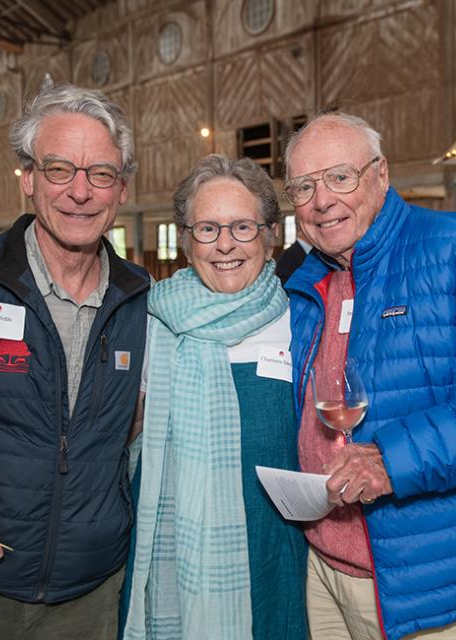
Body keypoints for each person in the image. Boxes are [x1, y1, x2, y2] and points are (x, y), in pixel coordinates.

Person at [0, 84, 150, 639]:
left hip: (88, 600)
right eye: (60, 169)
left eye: (101, 174)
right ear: (30, 179)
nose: (80, 192)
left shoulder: (141, 300)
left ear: (122, 189)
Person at [282, 112, 456, 640]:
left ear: (379, 174)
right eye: (303, 186)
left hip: (433, 579)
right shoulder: (306, 282)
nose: (322, 200)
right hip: (324, 570)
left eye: (339, 177)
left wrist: (390, 459)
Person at [123, 155, 308, 640]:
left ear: (269, 238)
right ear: (186, 242)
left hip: (277, 545)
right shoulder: (151, 323)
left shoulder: (301, 321)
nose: (225, 244)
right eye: (207, 228)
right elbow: (124, 430)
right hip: (178, 546)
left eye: (242, 227)